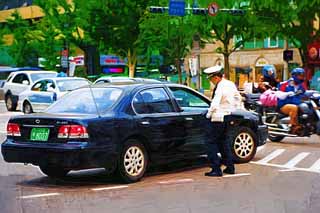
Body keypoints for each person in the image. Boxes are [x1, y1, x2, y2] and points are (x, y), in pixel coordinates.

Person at [203, 65, 243, 177]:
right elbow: (238, 98)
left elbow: (214, 103)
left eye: (211, 79)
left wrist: (208, 114)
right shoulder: (230, 84)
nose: (211, 81)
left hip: (217, 118)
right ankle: (230, 167)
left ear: (215, 77)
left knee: (210, 142)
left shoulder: (220, 87)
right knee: (224, 141)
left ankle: (216, 169)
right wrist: (231, 109)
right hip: (227, 116)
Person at [278, 67, 306, 134]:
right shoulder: (285, 84)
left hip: (297, 103)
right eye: (300, 76)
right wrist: (287, 94)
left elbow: (305, 92)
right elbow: (279, 94)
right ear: (295, 76)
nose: (302, 77)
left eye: (303, 76)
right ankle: (292, 126)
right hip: (283, 105)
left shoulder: (301, 85)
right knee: (293, 107)